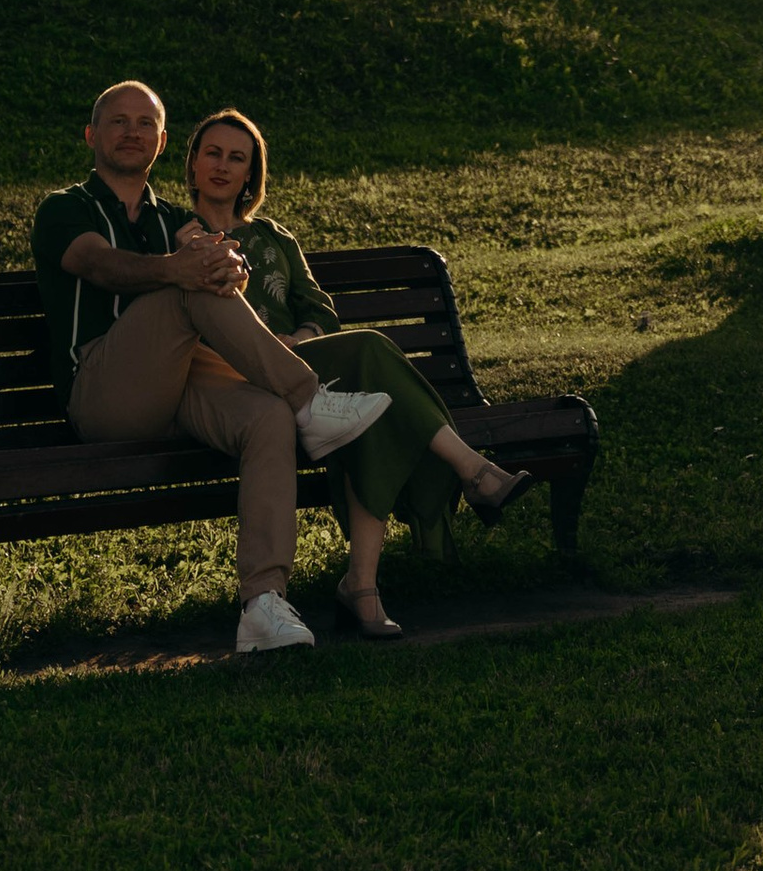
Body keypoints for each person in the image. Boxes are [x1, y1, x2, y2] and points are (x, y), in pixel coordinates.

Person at [30, 77, 392, 655]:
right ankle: (310, 399)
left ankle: (263, 606)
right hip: (102, 394)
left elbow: (220, 275)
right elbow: (99, 265)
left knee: (267, 418)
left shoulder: (175, 219)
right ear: (92, 134)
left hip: (180, 389)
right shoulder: (64, 208)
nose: (132, 132)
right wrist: (182, 269)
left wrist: (230, 270)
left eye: (145, 123)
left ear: (162, 141)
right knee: (186, 282)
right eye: (118, 121)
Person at [178, 105, 531, 639]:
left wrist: (298, 341)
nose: (223, 166)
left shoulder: (275, 239)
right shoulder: (178, 233)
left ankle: (362, 586)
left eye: (237, 158)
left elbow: (319, 309)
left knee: (374, 409)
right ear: (193, 164)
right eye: (213, 154)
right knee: (371, 357)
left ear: (251, 174)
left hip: (300, 367)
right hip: (229, 380)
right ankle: (472, 472)